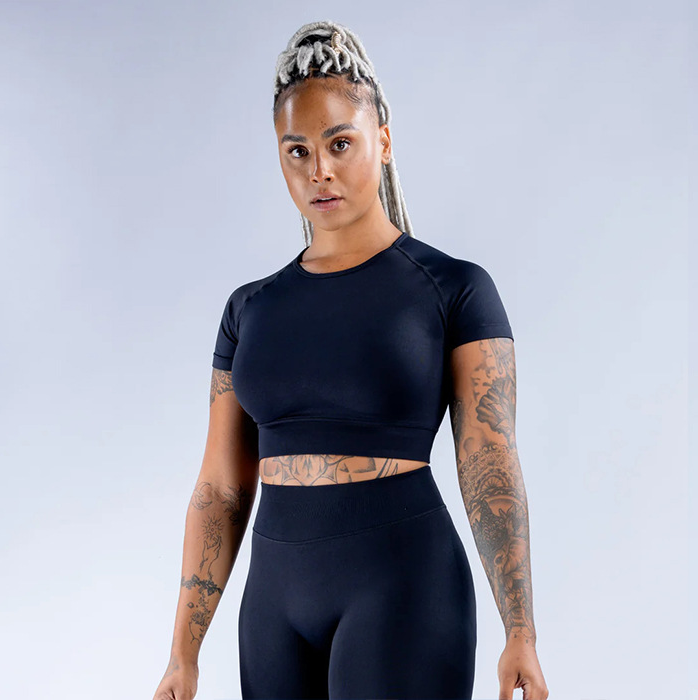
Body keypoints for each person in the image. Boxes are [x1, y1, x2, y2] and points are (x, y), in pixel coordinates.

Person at [153, 19, 549, 700]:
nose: (320, 170)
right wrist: (182, 655)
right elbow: (219, 489)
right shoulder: (249, 309)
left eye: (340, 143)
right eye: (297, 151)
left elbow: (490, 462)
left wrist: (522, 630)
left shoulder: (454, 289)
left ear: (383, 141)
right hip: (272, 605)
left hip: (403, 587)